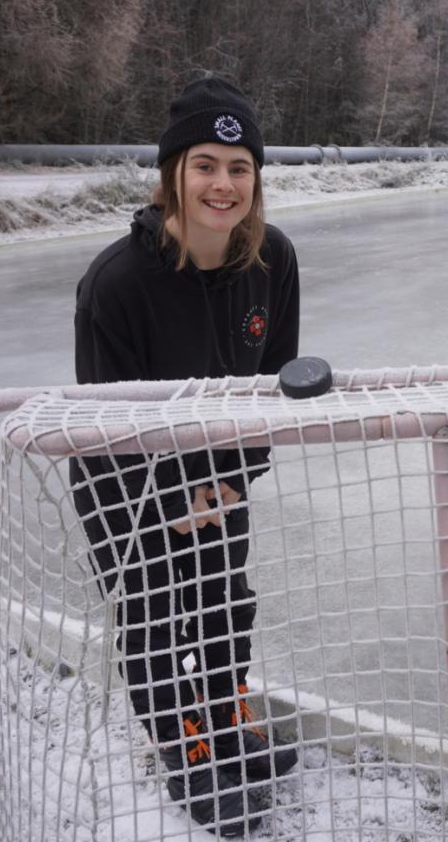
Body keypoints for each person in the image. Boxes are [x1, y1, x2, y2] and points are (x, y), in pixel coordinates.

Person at [69, 77, 300, 837]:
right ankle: (184, 743)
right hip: (124, 484)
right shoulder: (117, 283)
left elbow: (276, 387)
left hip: (220, 477)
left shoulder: (275, 262)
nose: (222, 184)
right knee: (157, 618)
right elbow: (107, 424)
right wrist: (173, 501)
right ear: (172, 172)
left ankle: (226, 711)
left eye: (239, 167)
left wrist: (232, 479)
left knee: (225, 600)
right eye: (205, 164)